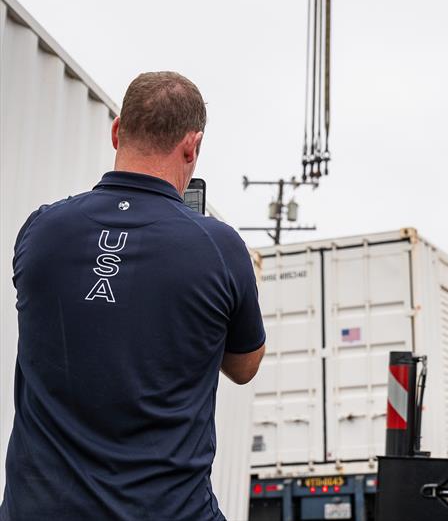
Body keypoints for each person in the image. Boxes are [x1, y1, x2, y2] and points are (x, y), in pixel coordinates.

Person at [1, 72, 266, 521]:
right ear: (192, 146)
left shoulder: (42, 230)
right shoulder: (218, 248)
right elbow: (244, 367)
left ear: (117, 130)